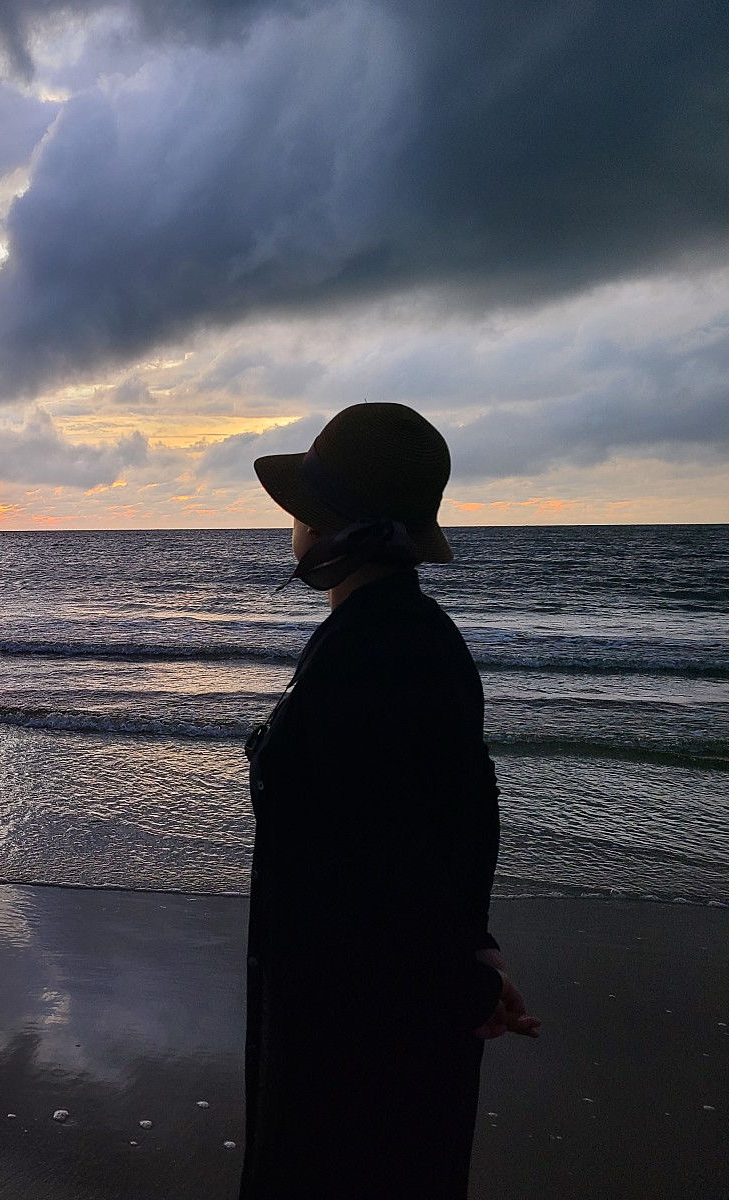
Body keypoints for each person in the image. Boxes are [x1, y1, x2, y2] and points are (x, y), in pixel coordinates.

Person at [240, 402, 539, 1199]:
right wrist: (474, 952)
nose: (294, 525)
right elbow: (459, 815)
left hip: (357, 1034)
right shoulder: (408, 634)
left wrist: (465, 979)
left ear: (325, 527)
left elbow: (391, 858)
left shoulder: (373, 654)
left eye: (303, 509)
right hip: (376, 1012)